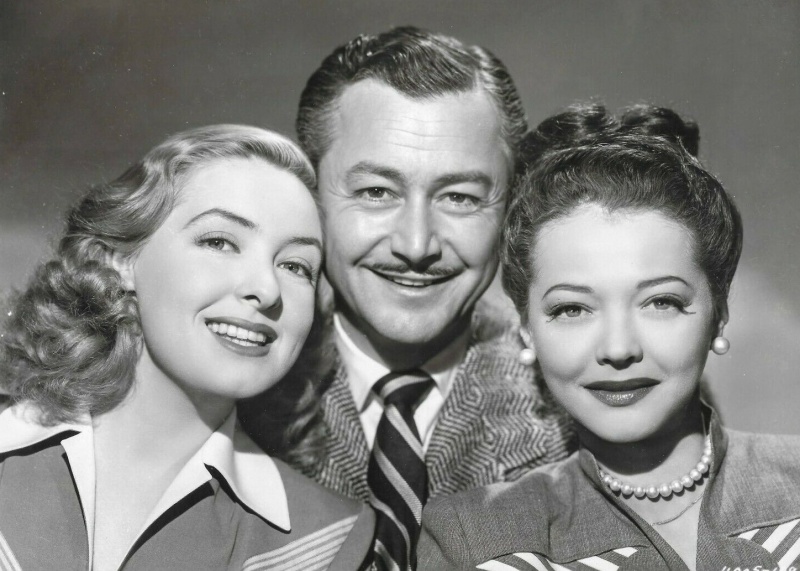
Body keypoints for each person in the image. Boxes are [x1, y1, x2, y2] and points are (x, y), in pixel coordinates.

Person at [239, 26, 574, 571]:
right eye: (376, 192)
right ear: (309, 195)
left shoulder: (590, 397)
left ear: (509, 209)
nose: (416, 245)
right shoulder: (231, 395)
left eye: (460, 197)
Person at [418, 104, 800, 570]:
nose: (618, 350)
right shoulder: (471, 539)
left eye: (660, 302)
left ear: (719, 315)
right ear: (527, 330)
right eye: (572, 309)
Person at [0, 125, 374, 571]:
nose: (266, 288)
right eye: (219, 242)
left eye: (296, 266)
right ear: (119, 261)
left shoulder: (330, 540)